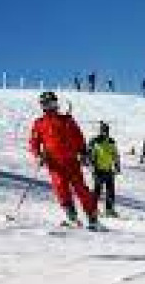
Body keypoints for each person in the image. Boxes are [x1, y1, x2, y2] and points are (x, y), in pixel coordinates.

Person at [29, 92, 100, 230]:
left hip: (71, 161)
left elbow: (78, 137)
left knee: (80, 188)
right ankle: (72, 216)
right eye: (46, 104)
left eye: (52, 103)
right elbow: (34, 141)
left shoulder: (67, 120)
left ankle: (92, 217)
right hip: (54, 163)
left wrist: (84, 153)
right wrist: (38, 155)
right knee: (61, 188)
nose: (50, 106)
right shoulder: (39, 123)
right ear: (42, 106)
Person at [87, 121, 121, 217]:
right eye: (103, 130)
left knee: (110, 191)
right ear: (100, 131)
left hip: (109, 170)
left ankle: (109, 210)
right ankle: (93, 209)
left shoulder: (111, 141)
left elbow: (115, 154)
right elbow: (89, 154)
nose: (105, 132)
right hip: (98, 170)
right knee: (97, 190)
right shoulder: (95, 141)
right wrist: (92, 166)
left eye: (106, 130)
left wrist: (117, 165)